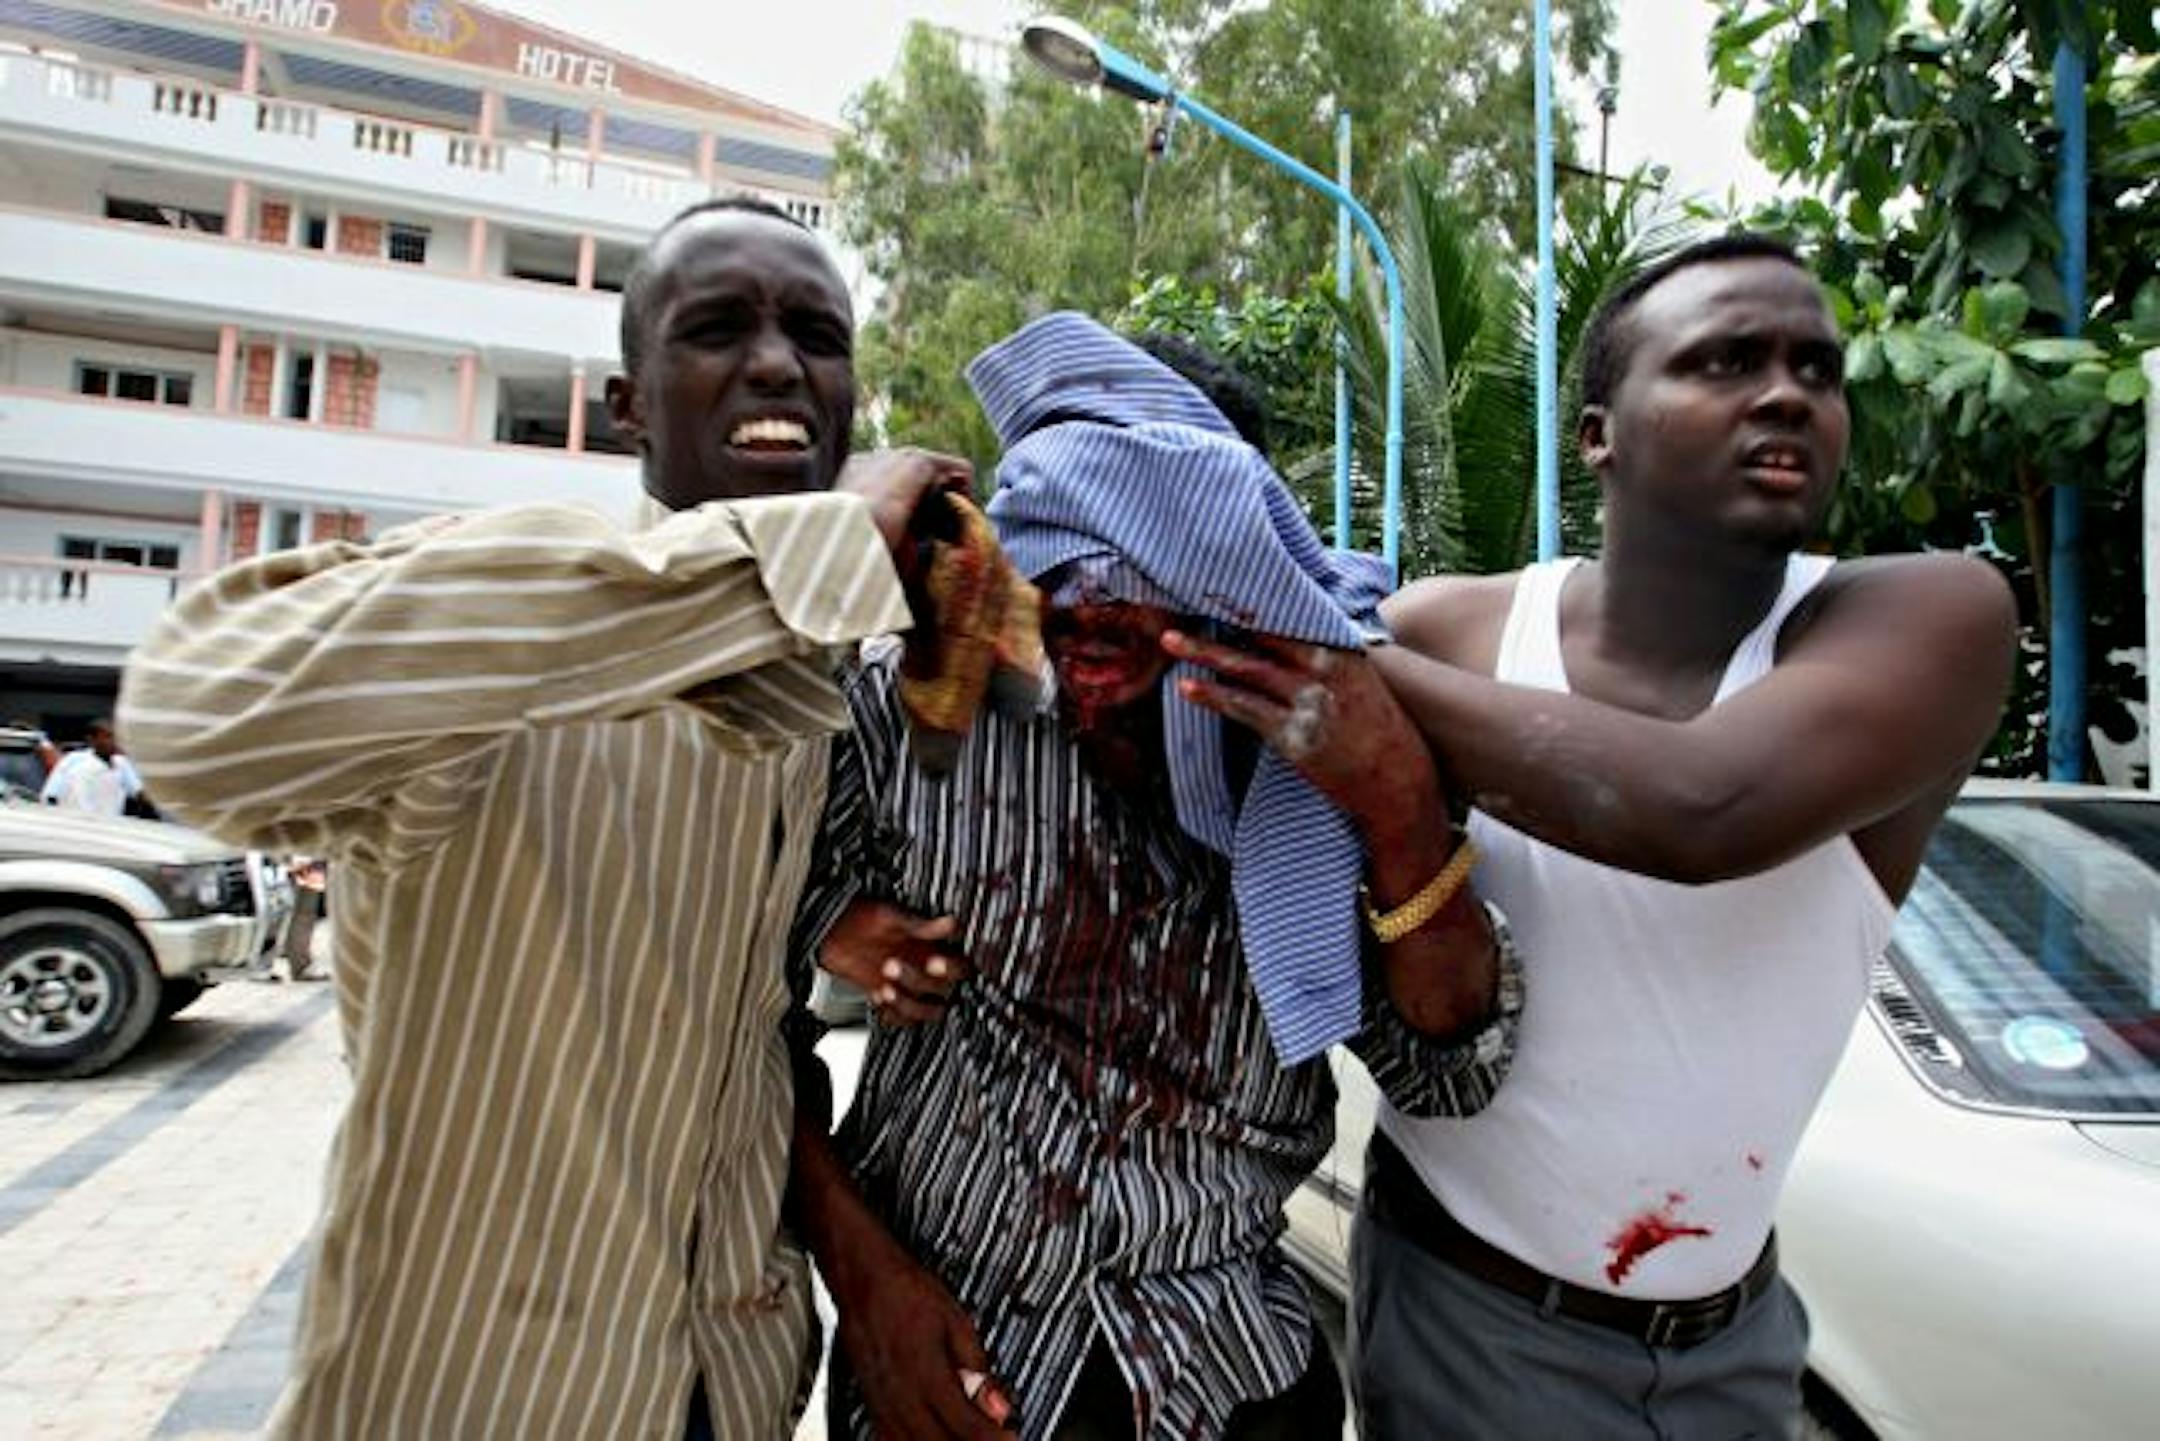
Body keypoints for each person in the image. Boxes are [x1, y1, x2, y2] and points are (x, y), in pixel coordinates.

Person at [118, 198, 970, 1441]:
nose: (780, 362)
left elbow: (737, 1043)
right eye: (719, 327)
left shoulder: (816, 692)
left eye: (818, 337)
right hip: (481, 1396)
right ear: (628, 405)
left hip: (728, 1388)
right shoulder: (496, 622)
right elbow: (194, 714)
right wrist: (783, 561)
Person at [1169, 235, 2017, 1438]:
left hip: (1734, 1336)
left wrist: (1350, 679)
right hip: (1468, 1321)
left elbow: (1701, 805)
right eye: (1727, 361)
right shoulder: (1448, 635)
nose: (1788, 393)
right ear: (1599, 432)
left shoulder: (1927, 616)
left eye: (1817, 370)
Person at [786, 313, 1521, 1441]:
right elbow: (724, 1003)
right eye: (1065, 532)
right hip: (949, 1365)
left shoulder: (1321, 747)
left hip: (1228, 1371)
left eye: (1150, 540)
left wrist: (1399, 808)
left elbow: (1448, 1073)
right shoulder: (923, 707)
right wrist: (863, 1271)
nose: (1093, 591)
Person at [41, 718, 127, 817]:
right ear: (91, 740)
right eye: (107, 737)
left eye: (115, 738)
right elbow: (54, 796)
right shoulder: (80, 766)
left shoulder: (120, 765)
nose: (113, 742)